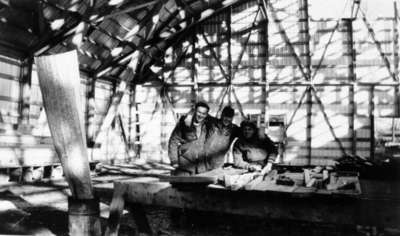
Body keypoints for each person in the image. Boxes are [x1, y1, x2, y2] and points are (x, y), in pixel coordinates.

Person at [168, 101, 215, 175]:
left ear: (206, 115)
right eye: (199, 112)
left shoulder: (208, 125)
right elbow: (173, 141)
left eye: (203, 113)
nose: (200, 115)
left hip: (201, 166)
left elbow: (220, 122)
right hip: (185, 164)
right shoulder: (184, 123)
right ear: (195, 111)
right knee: (183, 186)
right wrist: (174, 161)